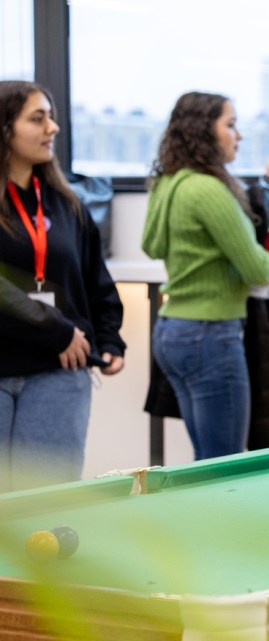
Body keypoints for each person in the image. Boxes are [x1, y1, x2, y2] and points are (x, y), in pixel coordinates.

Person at [0, 80, 126, 492]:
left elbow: (94, 280)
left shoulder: (67, 202)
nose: (52, 128)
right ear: (5, 129)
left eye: (51, 117)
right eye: (38, 118)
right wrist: (56, 327)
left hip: (59, 371)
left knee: (49, 503)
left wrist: (109, 338)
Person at [142, 91, 269, 460]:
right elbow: (258, 268)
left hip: (172, 330)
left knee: (204, 461)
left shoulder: (169, 183)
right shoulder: (207, 189)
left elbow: (151, 245)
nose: (240, 135)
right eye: (231, 124)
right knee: (223, 464)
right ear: (204, 131)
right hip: (210, 335)